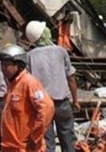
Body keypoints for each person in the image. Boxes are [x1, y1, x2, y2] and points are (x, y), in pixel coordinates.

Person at [25, 21, 80, 152]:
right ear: (45, 34)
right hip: (62, 104)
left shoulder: (29, 56)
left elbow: (27, 83)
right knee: (68, 139)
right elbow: (71, 78)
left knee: (47, 142)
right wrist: (75, 100)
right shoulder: (61, 52)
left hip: (42, 106)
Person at [0, 45, 55, 152]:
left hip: (24, 148)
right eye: (2, 65)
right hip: (10, 146)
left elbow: (47, 108)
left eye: (6, 65)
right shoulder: (13, 85)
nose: (3, 69)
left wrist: (34, 137)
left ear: (19, 65)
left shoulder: (29, 83)